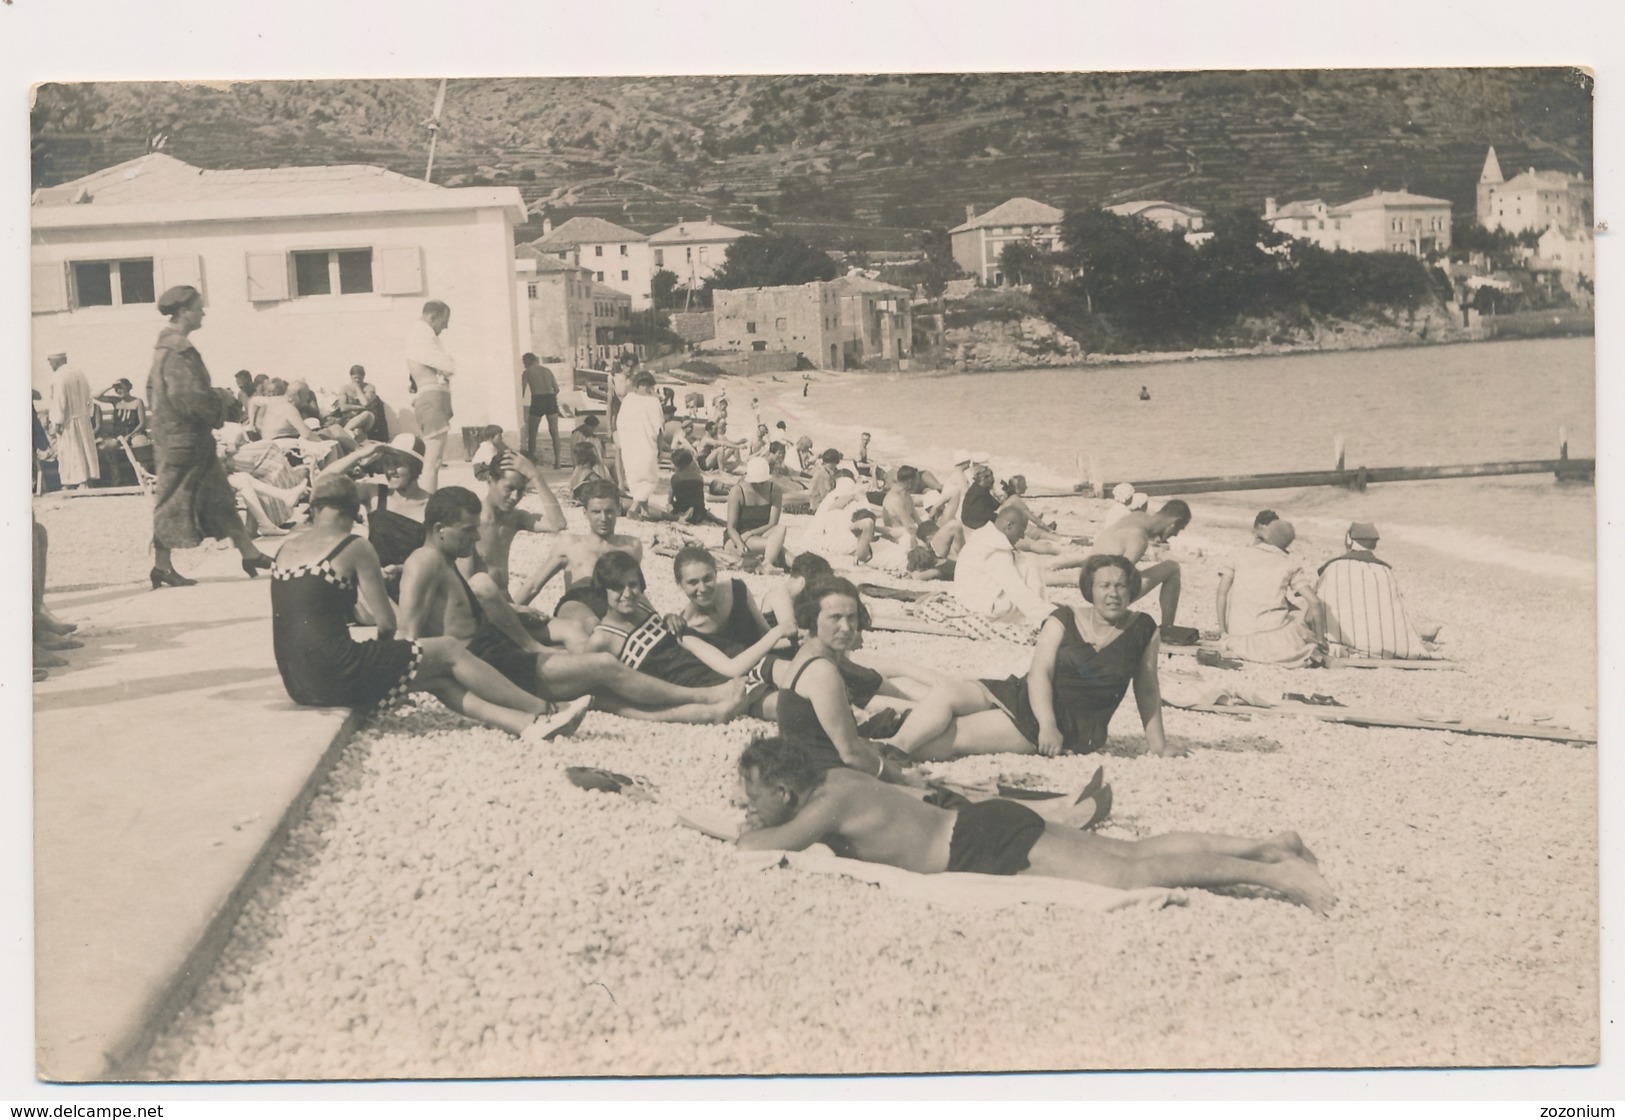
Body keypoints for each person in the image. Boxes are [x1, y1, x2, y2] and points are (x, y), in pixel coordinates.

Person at [729, 736, 1335, 914]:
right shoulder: (836, 781)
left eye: (754, 796)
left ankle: (1279, 876)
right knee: (1133, 851)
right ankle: (1265, 846)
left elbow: (755, 845)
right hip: (980, 827)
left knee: (1129, 875)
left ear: (785, 790)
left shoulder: (821, 809)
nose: (749, 806)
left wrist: (755, 826)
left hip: (979, 842)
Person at [272, 476, 585, 740]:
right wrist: (388, 664)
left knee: (437, 677)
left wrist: (393, 670)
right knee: (447, 649)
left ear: (314, 510)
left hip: (299, 683)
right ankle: (545, 709)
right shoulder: (354, 546)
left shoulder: (285, 548)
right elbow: (386, 624)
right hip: (336, 670)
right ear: (355, 513)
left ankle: (527, 726)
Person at [397, 487, 744, 726]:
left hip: (502, 658)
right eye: (468, 530)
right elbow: (408, 637)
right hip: (498, 669)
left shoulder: (440, 559)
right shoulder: (423, 562)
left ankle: (702, 714)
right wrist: (407, 689)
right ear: (440, 529)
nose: (475, 538)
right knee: (605, 667)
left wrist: (518, 618)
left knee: (600, 693)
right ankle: (704, 696)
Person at [895, 555, 1173, 760]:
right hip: (1028, 696)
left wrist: (1158, 745)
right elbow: (1041, 672)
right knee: (947, 692)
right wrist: (1046, 723)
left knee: (956, 734)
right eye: (1105, 586)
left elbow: (1147, 688)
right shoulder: (1064, 617)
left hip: (1072, 724)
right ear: (1090, 590)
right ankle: (893, 748)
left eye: (1121, 586)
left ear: (1131, 589)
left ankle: (884, 751)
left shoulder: (1143, 629)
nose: (1113, 593)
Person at [144, 286, 275, 588]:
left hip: (187, 440)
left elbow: (154, 392)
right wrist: (219, 400)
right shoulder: (178, 351)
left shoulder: (167, 349)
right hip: (183, 442)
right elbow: (188, 397)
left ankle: (249, 552)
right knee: (172, 503)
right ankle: (162, 567)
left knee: (220, 497)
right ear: (183, 312)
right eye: (198, 307)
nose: (203, 312)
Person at [584, 552, 780, 718]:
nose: (628, 593)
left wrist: (670, 618)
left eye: (633, 584)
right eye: (617, 587)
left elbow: (661, 628)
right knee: (774, 703)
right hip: (691, 683)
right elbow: (592, 689)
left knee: (785, 672)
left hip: (707, 658)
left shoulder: (641, 603)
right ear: (603, 590)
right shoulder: (602, 639)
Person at [517, 479, 644, 632]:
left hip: (615, 605)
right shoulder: (571, 544)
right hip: (578, 604)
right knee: (594, 626)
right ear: (585, 513)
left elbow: (635, 589)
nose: (603, 518)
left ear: (618, 510)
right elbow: (534, 585)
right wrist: (509, 611)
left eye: (609, 511)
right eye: (596, 512)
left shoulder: (631, 546)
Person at [1315, 521, 1440, 660]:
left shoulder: (1334, 567)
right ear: (1374, 544)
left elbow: (1317, 603)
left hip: (1343, 639)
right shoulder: (1385, 571)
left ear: (1349, 539)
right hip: (1389, 644)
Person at [1215, 518, 1322, 667]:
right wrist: (1321, 639)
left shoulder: (1238, 554)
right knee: (1298, 616)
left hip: (1239, 638)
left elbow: (1221, 593)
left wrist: (1224, 633)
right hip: (1275, 640)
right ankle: (1319, 651)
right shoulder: (1289, 563)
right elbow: (1315, 602)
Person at [1091, 498, 1191, 636]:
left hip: (1090, 581)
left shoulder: (1137, 517)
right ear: (1173, 523)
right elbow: (1118, 578)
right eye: (1178, 529)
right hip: (1101, 595)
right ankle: (1167, 628)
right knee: (1172, 567)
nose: (1175, 535)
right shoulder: (1139, 538)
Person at [952, 507, 1052, 627]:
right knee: (1025, 565)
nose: (1021, 537)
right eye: (1020, 531)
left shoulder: (984, 537)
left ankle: (1040, 607)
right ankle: (1040, 613)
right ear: (1009, 525)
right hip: (983, 610)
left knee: (1021, 560)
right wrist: (1048, 615)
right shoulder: (996, 552)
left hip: (967, 600)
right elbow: (1016, 589)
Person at [404, 299, 457, 491]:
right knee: (433, 462)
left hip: (434, 399)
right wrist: (450, 362)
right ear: (432, 317)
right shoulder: (421, 334)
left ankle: (428, 504)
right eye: (444, 320)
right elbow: (448, 366)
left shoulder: (423, 335)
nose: (446, 326)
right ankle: (429, 507)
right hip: (432, 400)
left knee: (433, 462)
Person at [46, 352, 100, 489]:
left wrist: (57, 422)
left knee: (72, 450)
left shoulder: (59, 376)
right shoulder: (79, 373)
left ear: (57, 361)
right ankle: (85, 480)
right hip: (83, 419)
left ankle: (77, 482)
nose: (49, 364)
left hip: (68, 421)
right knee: (83, 450)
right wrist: (87, 414)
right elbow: (89, 397)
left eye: (50, 361)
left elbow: (59, 401)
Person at [725, 458, 790, 571]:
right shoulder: (737, 491)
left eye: (762, 482)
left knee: (781, 529)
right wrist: (740, 544)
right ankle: (770, 564)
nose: (760, 485)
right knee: (779, 549)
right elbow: (731, 527)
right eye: (756, 482)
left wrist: (751, 533)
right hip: (739, 537)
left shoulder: (774, 490)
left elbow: (772, 524)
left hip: (761, 534)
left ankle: (767, 563)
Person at [617, 372, 666, 519]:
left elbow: (620, 423)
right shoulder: (654, 402)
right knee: (649, 478)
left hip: (630, 445)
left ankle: (645, 511)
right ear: (651, 386)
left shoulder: (628, 399)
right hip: (647, 445)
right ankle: (634, 507)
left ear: (637, 385)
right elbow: (659, 428)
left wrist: (624, 442)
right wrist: (661, 448)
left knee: (636, 477)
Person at [92, 376, 154, 486]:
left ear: (128, 388)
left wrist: (130, 436)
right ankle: (116, 477)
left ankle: (145, 477)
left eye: (121, 388)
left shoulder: (137, 402)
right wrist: (111, 386)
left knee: (140, 444)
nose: (119, 391)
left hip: (135, 432)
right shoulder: (115, 401)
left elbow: (142, 423)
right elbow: (96, 396)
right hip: (118, 435)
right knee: (105, 447)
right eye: (116, 389)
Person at [520, 353, 563, 467]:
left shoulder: (527, 372)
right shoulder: (547, 370)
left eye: (524, 362)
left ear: (529, 360)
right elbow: (557, 389)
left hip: (538, 399)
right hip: (550, 399)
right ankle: (558, 462)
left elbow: (522, 391)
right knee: (554, 432)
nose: (524, 364)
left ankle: (530, 461)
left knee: (532, 433)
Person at [668, 448, 725, 526]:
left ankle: (680, 516)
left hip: (682, 509)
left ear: (677, 465)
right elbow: (699, 500)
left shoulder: (675, 478)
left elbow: (670, 500)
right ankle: (715, 519)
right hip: (699, 512)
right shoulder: (699, 477)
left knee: (670, 505)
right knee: (699, 507)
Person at [336, 364, 388, 443]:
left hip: (367, 421)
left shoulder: (369, 387)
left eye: (359, 378)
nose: (357, 380)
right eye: (355, 378)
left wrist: (357, 388)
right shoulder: (345, 388)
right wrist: (359, 407)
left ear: (363, 377)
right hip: (350, 420)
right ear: (351, 377)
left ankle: (345, 430)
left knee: (367, 413)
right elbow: (342, 408)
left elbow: (365, 403)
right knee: (357, 431)